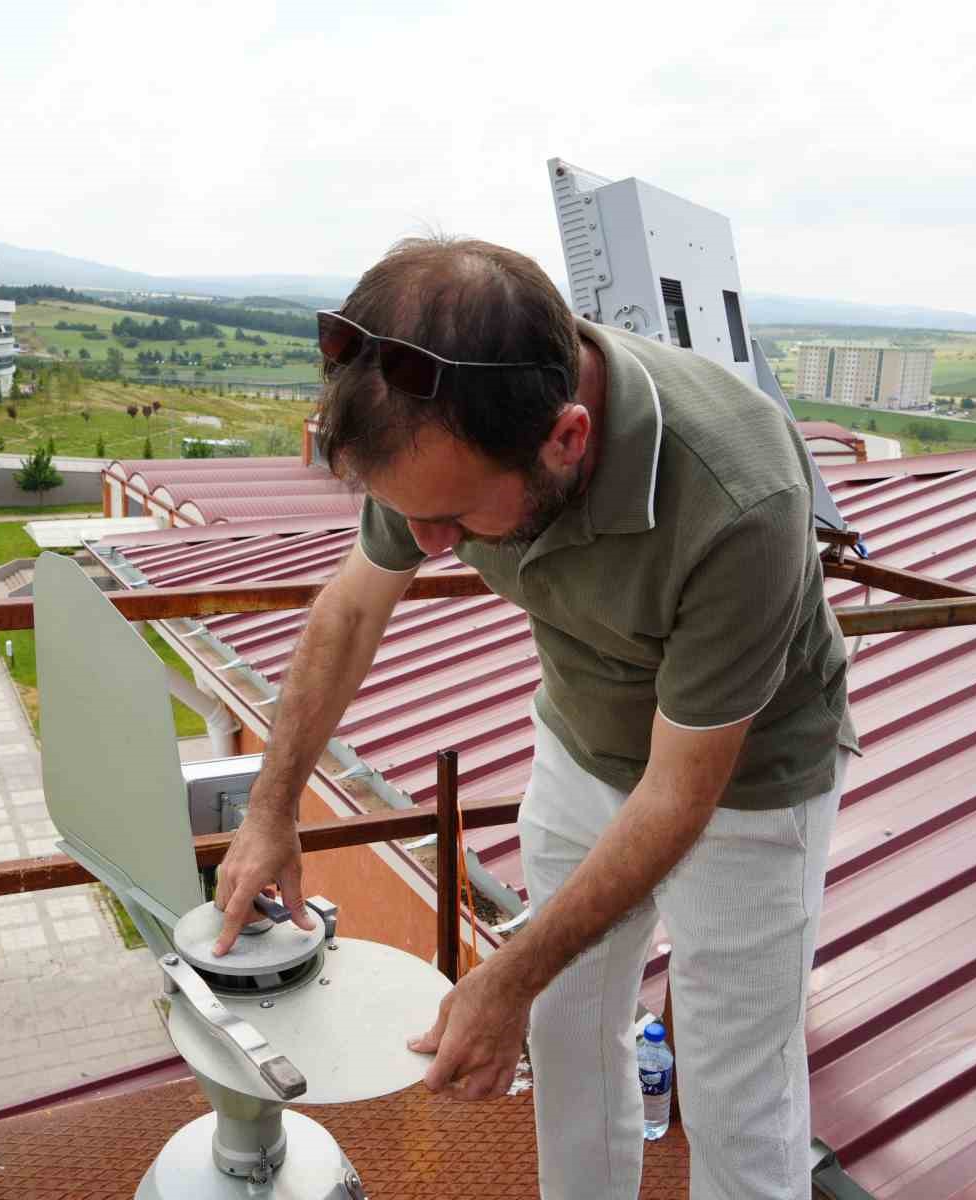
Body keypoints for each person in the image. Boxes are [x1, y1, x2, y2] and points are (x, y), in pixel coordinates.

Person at [212, 236, 859, 1200]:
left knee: (737, 1090)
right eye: (411, 516)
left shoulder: (739, 493)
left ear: (566, 439)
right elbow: (349, 612)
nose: (428, 544)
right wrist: (272, 807)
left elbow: (682, 794)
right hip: (582, 740)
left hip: (748, 788)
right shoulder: (433, 429)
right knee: (566, 1033)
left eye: (456, 521)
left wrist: (502, 977)